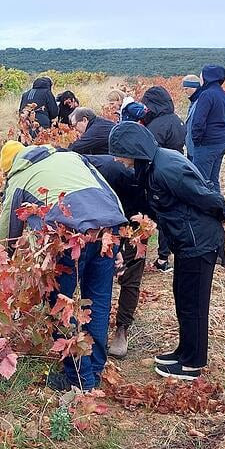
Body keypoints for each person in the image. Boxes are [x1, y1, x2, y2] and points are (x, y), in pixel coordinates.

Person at [108, 121, 225, 381]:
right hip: (186, 242)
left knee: (194, 304)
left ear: (133, 149)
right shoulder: (153, 165)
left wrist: (224, 214)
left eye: (120, 153)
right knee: (182, 298)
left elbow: (203, 194)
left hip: (199, 243)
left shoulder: (166, 168)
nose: (118, 160)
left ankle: (192, 363)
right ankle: (183, 351)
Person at [0, 141, 127, 391]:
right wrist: (116, 245)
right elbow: (110, 195)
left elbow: (7, 233)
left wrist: (4, 264)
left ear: (9, 168)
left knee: (62, 307)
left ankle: (80, 380)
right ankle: (95, 369)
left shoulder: (20, 178)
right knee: (97, 302)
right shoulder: (72, 158)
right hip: (105, 230)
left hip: (65, 238)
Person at [83, 154, 149, 359]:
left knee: (130, 274)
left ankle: (122, 329)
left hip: (135, 215)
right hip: (103, 220)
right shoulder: (75, 174)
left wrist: (122, 241)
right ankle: (91, 329)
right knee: (95, 274)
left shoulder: (112, 173)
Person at [139, 85, 189, 272]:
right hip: (175, 170)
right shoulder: (176, 120)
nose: (145, 109)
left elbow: (149, 151)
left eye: (147, 105)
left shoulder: (158, 125)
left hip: (160, 174)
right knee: (170, 213)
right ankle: (165, 256)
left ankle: (162, 258)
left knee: (161, 214)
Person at [188, 65, 225, 192]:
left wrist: (196, 141)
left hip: (207, 144)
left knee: (200, 182)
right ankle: (217, 209)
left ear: (208, 77)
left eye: (202, 75)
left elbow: (198, 122)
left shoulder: (206, 95)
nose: (200, 78)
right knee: (213, 180)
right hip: (221, 142)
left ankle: (203, 210)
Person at [180, 74, 202, 159]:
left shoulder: (200, 102)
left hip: (196, 148)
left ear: (194, 87)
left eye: (186, 89)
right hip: (192, 147)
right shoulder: (194, 101)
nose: (185, 91)